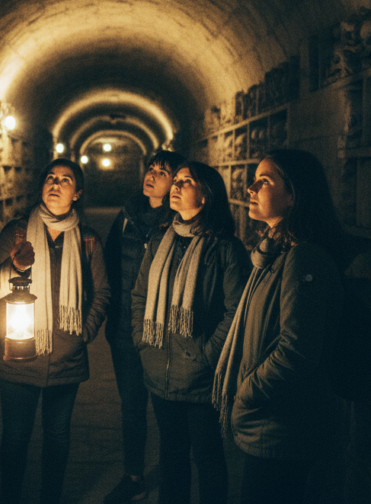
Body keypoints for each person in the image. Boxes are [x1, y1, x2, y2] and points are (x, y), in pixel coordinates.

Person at [213, 148, 346, 504]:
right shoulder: (273, 253)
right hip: (270, 422)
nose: (251, 187)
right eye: (254, 178)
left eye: (265, 180)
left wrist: (246, 393)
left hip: (282, 426)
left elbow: (297, 349)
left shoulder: (303, 258)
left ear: (294, 195)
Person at [130, 161, 251, 504]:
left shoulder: (225, 248)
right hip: (159, 370)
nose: (176, 186)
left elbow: (236, 311)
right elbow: (140, 294)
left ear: (206, 196)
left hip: (200, 376)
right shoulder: (160, 239)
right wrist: (143, 342)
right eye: (177, 181)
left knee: (208, 456)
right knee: (171, 454)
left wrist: (207, 354)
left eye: (187, 181)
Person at [0, 158, 110, 504]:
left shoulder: (87, 240)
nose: (55, 184)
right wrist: (6, 333)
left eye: (66, 180)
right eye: (50, 178)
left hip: (66, 356)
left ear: (77, 193)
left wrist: (84, 332)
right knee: (15, 437)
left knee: (57, 435)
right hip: (19, 351)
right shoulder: (16, 232)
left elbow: (102, 291)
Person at [102, 150, 185, 503]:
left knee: (169, 411)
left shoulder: (182, 220)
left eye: (162, 172)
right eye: (150, 169)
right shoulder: (126, 217)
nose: (152, 175)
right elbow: (108, 264)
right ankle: (134, 475)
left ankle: (173, 478)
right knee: (132, 407)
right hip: (124, 328)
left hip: (164, 332)